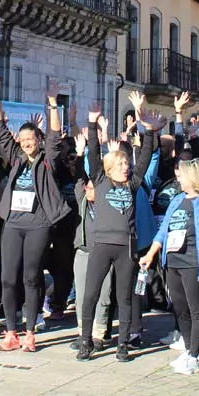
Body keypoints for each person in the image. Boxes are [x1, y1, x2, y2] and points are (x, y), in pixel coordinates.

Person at [0, 76, 71, 353]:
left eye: (30, 139)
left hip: (38, 224)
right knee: (8, 278)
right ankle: (10, 331)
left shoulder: (47, 161)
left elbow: (55, 136)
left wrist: (52, 104)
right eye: (22, 139)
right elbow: (0, 131)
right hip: (13, 223)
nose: (26, 143)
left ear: (38, 140)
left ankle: (30, 331)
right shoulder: (15, 159)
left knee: (31, 277)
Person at [74, 101, 157, 362]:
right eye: (121, 164)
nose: (126, 167)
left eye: (126, 164)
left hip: (126, 249)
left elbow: (143, 159)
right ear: (110, 167)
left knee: (125, 296)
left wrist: (150, 131)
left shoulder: (132, 184)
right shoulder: (99, 179)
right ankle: (86, 341)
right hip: (102, 245)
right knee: (90, 294)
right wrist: (92, 121)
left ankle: (123, 346)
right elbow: (93, 153)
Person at [140, 157, 199, 375]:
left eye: (183, 175)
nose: (179, 179)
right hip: (172, 263)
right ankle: (188, 349)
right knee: (180, 310)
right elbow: (164, 231)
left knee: (196, 310)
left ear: (194, 177)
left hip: (193, 263)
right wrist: (152, 253)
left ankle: (194, 356)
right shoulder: (177, 200)